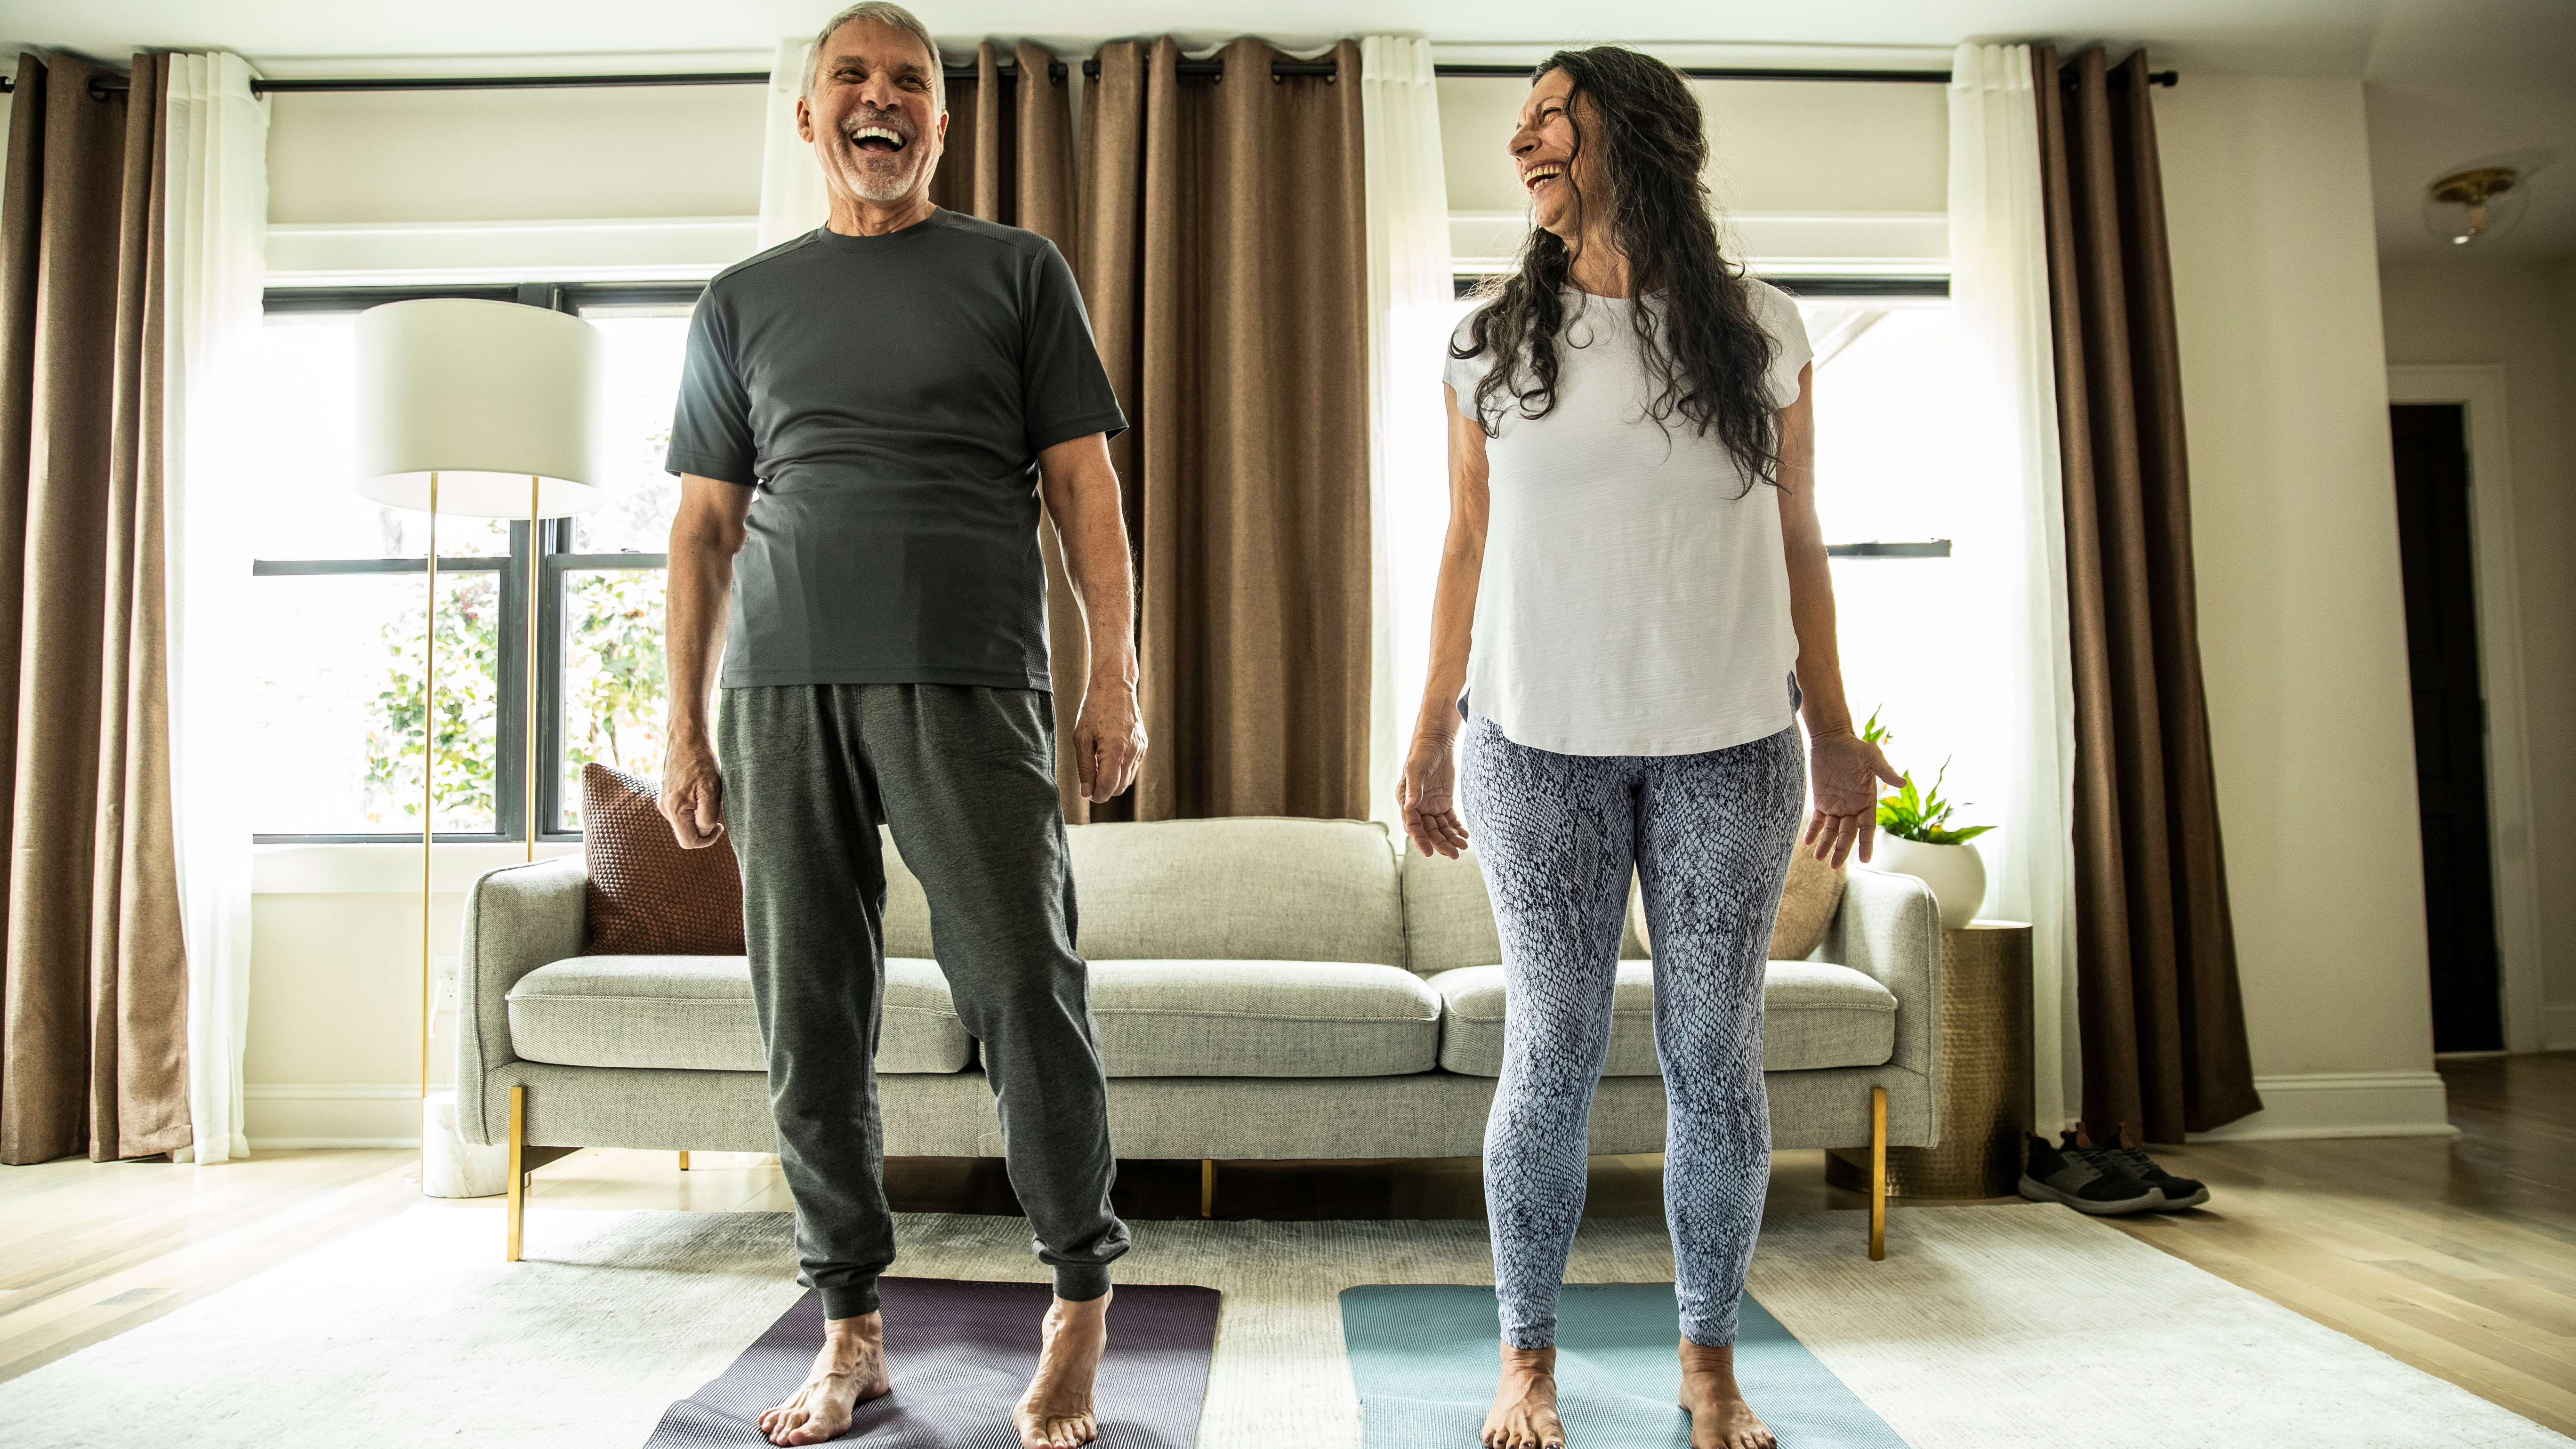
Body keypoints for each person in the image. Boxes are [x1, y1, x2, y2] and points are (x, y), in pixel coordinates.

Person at [1397, 47, 1903, 1449]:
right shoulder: (1490, 338)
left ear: (1638, 133)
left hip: (1731, 747)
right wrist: (1430, 727)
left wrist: (1839, 729)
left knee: (1713, 1054)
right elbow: (1466, 543)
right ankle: (1529, 1360)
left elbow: (1800, 537)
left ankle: (1710, 1361)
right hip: (1533, 745)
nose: (1525, 136)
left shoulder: (1763, 331)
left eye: (1555, 112)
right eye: (1525, 117)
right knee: (1550, 1049)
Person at [655, 5, 1142, 1446]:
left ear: (943, 121)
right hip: (780, 694)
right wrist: (682, 727)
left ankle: (1078, 1306)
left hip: (970, 682)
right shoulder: (741, 303)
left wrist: (1119, 677)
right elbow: (702, 532)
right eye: (852, 81)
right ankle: (851, 1328)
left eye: (911, 84)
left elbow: (1088, 500)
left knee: (1021, 995)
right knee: (809, 1024)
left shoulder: (1014, 272)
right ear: (809, 120)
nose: (883, 101)